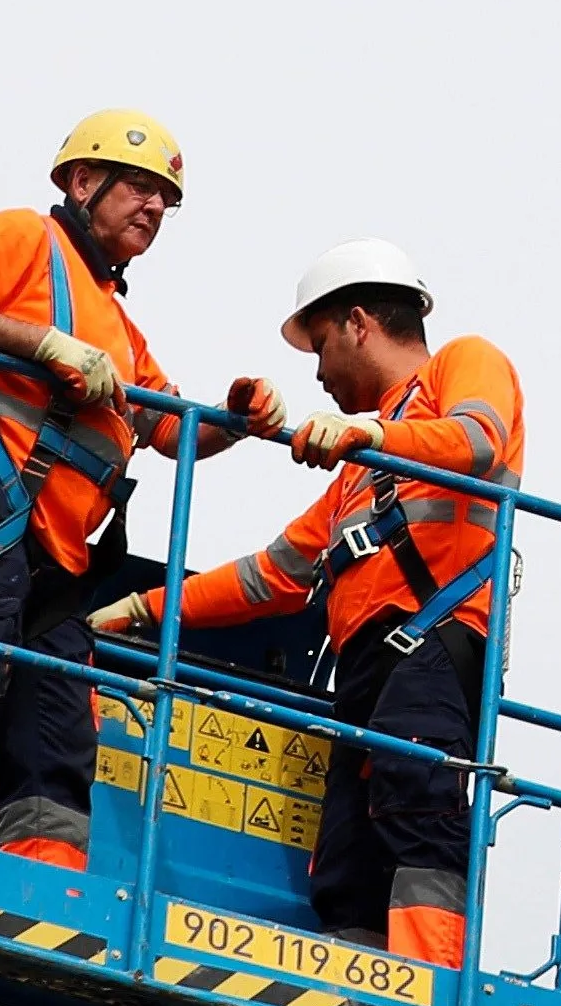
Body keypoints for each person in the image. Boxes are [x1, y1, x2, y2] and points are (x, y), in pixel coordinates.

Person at [95, 241, 522, 969]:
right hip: (366, 674)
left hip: (435, 647)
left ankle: (427, 997)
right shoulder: (356, 480)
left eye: (321, 345)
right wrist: (141, 609)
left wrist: (372, 434)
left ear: (359, 322)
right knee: (349, 853)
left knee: (418, 805)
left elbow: (479, 442)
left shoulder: (463, 364)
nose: (318, 373)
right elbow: (272, 576)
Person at [0, 110, 276, 868]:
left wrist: (240, 419)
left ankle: (44, 898)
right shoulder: (25, 239)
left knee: (57, 740)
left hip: (59, 568)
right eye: (139, 187)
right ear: (83, 179)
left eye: (166, 199)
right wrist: (43, 343)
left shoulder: (122, 333)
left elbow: (174, 434)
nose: (155, 208)